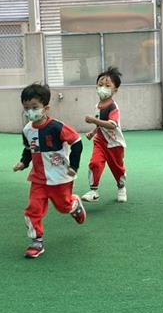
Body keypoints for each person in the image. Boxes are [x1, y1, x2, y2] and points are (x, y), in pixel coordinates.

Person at [13, 83, 87, 258]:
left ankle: (74, 204)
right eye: (26, 108)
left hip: (60, 178)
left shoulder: (57, 127)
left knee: (63, 207)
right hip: (38, 179)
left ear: (45, 108)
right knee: (33, 209)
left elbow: (77, 143)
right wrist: (23, 162)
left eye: (34, 107)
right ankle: (36, 241)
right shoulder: (27, 130)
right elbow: (29, 148)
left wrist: (73, 166)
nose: (30, 112)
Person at [81, 67, 127, 204]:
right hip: (100, 141)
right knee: (95, 163)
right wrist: (93, 132)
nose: (103, 88)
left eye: (107, 86)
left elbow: (112, 125)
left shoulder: (113, 107)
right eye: (100, 85)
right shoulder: (97, 106)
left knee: (117, 168)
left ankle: (121, 187)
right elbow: (100, 124)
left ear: (115, 90)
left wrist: (94, 121)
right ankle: (93, 191)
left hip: (114, 144)